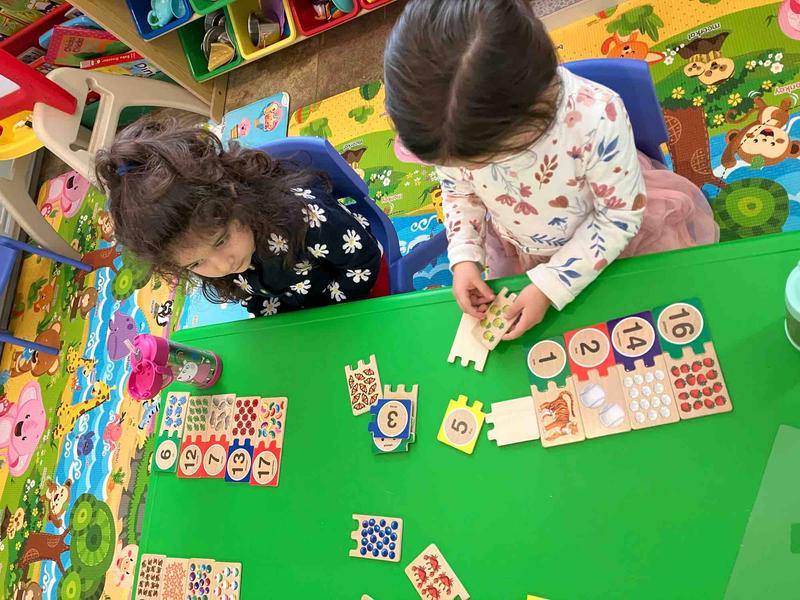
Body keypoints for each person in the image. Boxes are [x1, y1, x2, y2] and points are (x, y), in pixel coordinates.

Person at [384, 0, 718, 339]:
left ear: (538, 109)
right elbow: (458, 190)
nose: (464, 170)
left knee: (641, 322)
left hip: (611, 238)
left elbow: (617, 219)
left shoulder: (595, 118)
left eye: (484, 160)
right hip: (522, 247)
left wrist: (551, 284)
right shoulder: (451, 130)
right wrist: (465, 256)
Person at [94, 118, 385, 316]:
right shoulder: (222, 259)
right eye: (196, 263)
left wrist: (333, 313)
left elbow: (365, 260)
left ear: (234, 198)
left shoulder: (305, 216)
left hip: (357, 290)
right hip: (309, 314)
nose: (225, 265)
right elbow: (256, 299)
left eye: (221, 241)